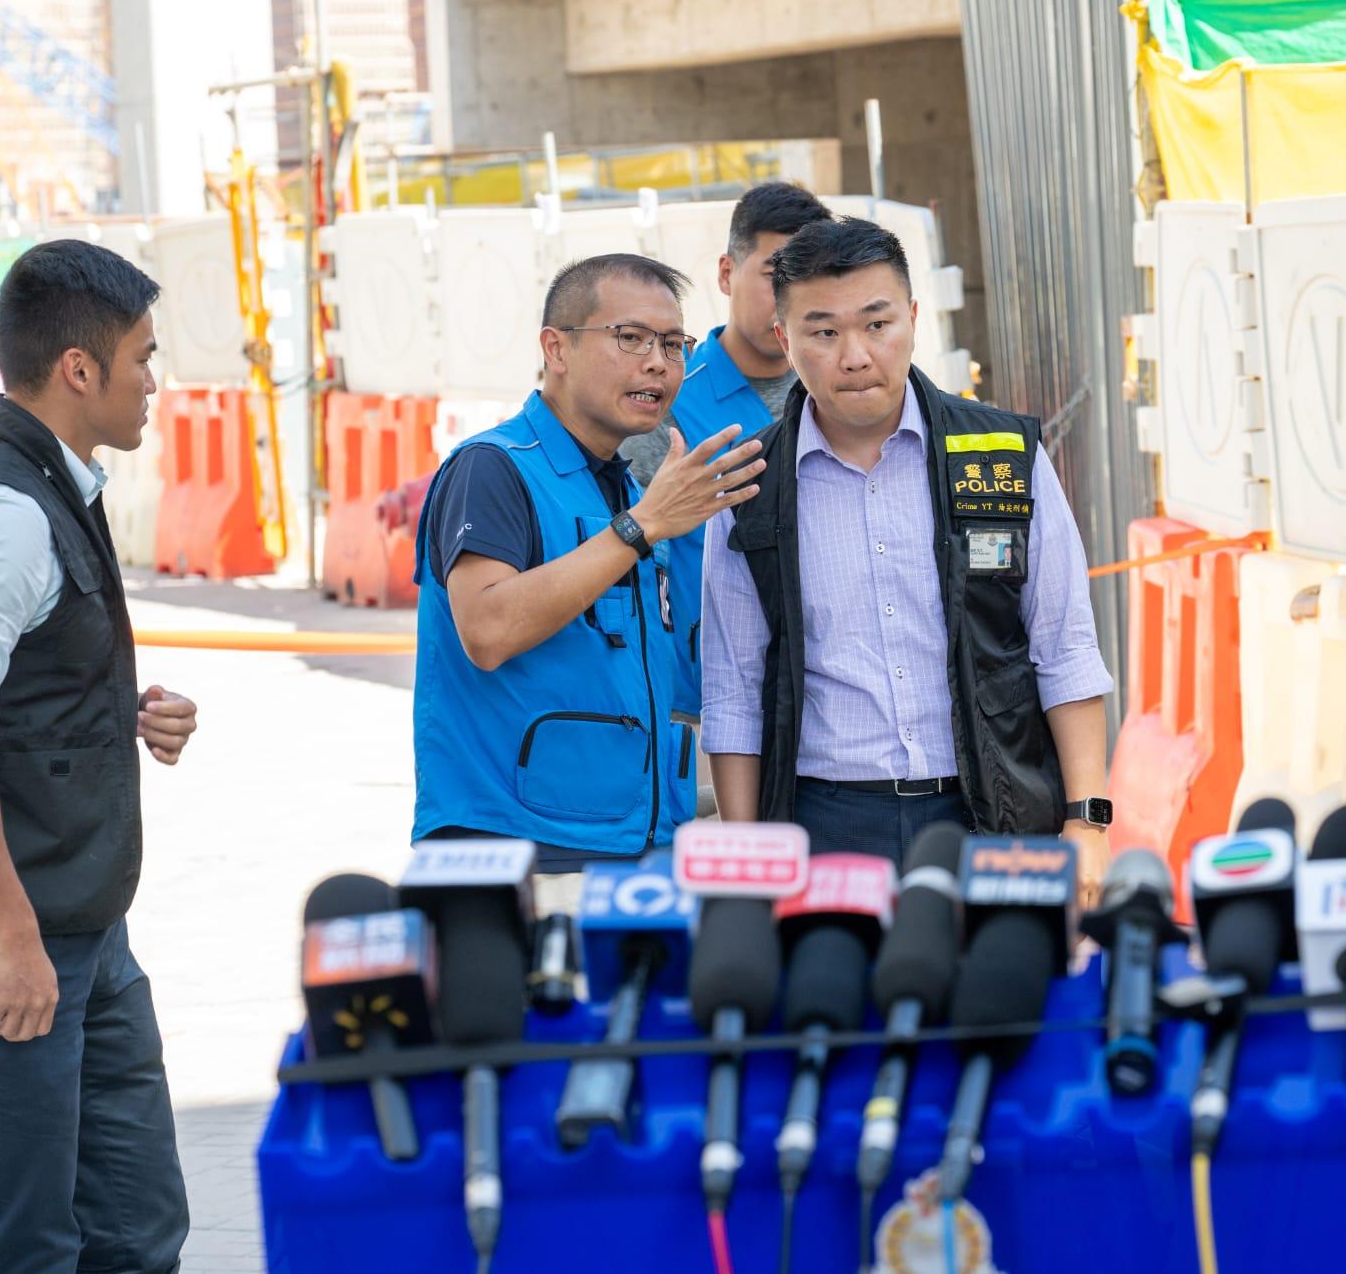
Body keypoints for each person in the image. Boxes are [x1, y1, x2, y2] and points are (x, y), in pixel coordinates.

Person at [0, 239, 199, 1274]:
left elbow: (16, 694)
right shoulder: (2, 514)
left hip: (84, 933)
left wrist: (121, 713)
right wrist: (12, 937)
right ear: (78, 368)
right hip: (3, 946)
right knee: (19, 1251)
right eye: (142, 358)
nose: (153, 380)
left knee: (137, 1234)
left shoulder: (58, 490)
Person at [700, 218, 1116, 902]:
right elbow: (735, 689)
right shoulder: (750, 486)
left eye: (877, 324)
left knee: (1005, 975)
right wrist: (747, 863)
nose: (855, 356)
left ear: (914, 319)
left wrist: (1087, 820)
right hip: (825, 821)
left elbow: (1064, 645)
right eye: (823, 332)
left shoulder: (1003, 456)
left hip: (996, 810)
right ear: (784, 338)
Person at [411, 253, 765, 907]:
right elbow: (487, 628)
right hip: (520, 852)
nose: (658, 363)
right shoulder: (494, 467)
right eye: (631, 338)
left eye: (673, 344)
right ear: (557, 348)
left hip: (633, 845)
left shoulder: (625, 488)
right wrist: (641, 527)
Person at [621, 182, 834, 812]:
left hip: (829, 716)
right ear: (725, 272)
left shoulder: (841, 397)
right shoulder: (665, 400)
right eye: (773, 275)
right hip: (697, 715)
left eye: (806, 278)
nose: (788, 297)